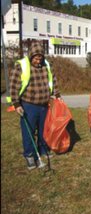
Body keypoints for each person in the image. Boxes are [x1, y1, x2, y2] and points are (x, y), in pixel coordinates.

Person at [9, 41, 61, 170]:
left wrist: (56, 94)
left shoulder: (46, 65)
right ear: (31, 55)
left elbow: (52, 80)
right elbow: (14, 86)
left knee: (44, 130)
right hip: (28, 105)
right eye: (36, 58)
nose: (38, 60)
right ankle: (30, 155)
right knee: (29, 132)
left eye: (40, 57)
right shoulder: (21, 66)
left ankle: (43, 150)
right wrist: (16, 104)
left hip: (44, 104)